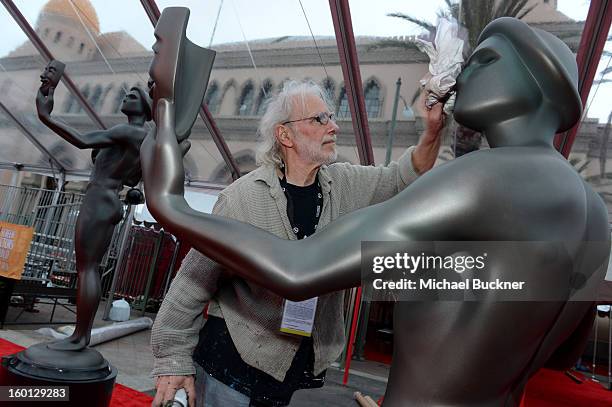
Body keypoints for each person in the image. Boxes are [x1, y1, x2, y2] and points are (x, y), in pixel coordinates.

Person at [141, 17, 610, 407]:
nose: (461, 75)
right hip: (238, 369)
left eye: (485, 60)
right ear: (285, 135)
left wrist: (169, 203)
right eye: (319, 118)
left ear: (537, 83)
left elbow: (298, 268)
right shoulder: (594, 213)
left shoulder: (482, 177)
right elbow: (561, 350)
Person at [148, 80, 445, 407]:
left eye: (330, 117)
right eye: (318, 119)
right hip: (231, 371)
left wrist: (431, 132)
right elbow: (193, 283)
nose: (333, 126)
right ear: (285, 135)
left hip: (296, 378)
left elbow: (402, 178)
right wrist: (172, 360)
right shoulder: (240, 199)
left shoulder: (345, 185)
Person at [36, 81, 152, 350]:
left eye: (133, 96)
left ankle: (80, 336)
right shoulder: (141, 139)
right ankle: (80, 334)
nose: (126, 97)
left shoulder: (129, 130)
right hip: (108, 199)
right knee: (89, 268)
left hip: (100, 197)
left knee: (87, 269)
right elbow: (135, 176)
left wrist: (46, 116)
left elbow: (82, 140)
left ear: (144, 108)